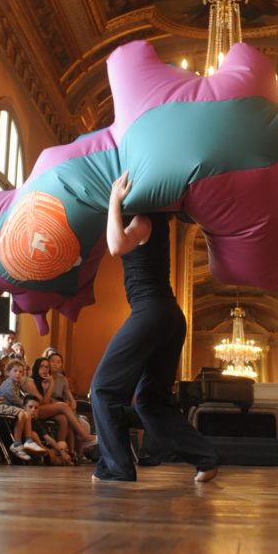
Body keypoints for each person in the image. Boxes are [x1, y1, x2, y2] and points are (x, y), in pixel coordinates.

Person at [89, 171, 218, 484]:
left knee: (103, 389)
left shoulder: (144, 220)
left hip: (152, 313)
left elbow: (116, 246)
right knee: (150, 401)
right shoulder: (155, 223)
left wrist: (113, 200)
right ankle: (205, 457)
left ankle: (115, 468)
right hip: (168, 316)